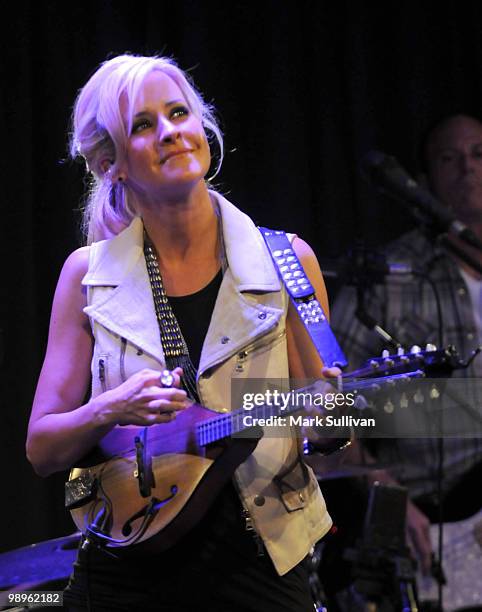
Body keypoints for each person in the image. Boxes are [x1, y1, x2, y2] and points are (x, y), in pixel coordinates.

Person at [26, 54, 339, 612]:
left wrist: (336, 416)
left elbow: (334, 430)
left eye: (178, 113)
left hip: (261, 558)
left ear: (202, 129)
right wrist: (109, 408)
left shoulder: (287, 261)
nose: (170, 132)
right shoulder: (87, 275)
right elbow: (42, 447)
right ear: (110, 163)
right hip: (126, 562)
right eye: (143, 125)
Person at [329, 114, 482, 596]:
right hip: (440, 521)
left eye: (480, 154)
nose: (468, 169)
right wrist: (389, 497)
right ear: (425, 182)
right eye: (449, 158)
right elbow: (328, 399)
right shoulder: (390, 277)